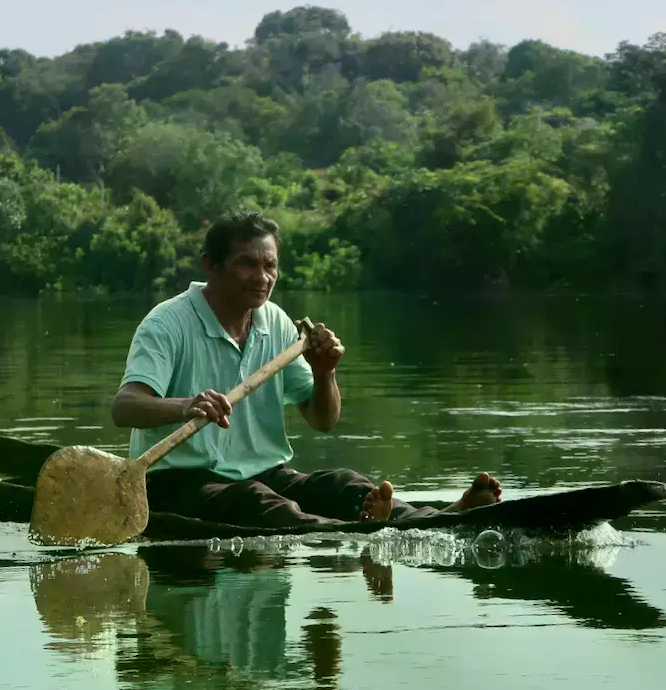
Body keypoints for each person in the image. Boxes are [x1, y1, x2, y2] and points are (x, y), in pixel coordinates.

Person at [110, 209, 502, 529]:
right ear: (211, 265)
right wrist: (185, 406)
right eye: (247, 264)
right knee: (260, 503)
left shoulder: (277, 323)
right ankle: (360, 535)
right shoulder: (168, 323)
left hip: (263, 474)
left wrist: (324, 372)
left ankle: (439, 519)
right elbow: (124, 406)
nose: (262, 279)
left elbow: (323, 420)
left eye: (270, 266)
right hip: (179, 483)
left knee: (344, 484)